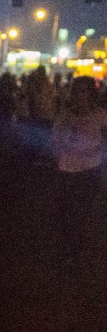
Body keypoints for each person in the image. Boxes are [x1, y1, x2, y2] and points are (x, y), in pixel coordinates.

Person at [49, 76, 107, 261]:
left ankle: (73, 250)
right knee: (64, 211)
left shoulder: (100, 115)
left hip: (90, 170)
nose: (80, 96)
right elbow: (55, 140)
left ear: (91, 94)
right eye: (77, 91)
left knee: (80, 211)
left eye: (84, 91)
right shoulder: (65, 116)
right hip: (67, 169)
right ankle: (68, 246)